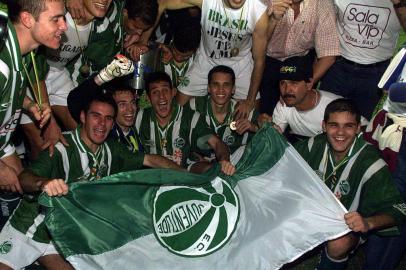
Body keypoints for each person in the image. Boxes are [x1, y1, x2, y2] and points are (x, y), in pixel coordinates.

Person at [0, 94, 183, 270]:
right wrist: (43, 183)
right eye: (96, 116)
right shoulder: (61, 147)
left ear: (113, 123)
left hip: (60, 235)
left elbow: (151, 160)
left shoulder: (112, 150)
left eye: (108, 118)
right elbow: (25, 178)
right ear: (82, 117)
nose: (102, 124)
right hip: (30, 227)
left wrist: (186, 175)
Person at [294, 98, 406, 270]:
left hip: (346, 225)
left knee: (339, 243)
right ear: (324, 126)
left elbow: (399, 209)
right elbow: (280, 158)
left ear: (358, 128)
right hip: (313, 212)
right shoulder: (313, 145)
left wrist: (367, 223)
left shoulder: (371, 163)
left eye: (348, 126)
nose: (341, 132)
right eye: (334, 125)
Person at [154, 0, 269, 120]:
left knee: (253, 115)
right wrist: (142, 41)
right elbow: (163, 3)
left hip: (240, 65)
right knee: (177, 109)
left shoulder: (258, 12)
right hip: (206, 61)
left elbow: (260, 60)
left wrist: (250, 100)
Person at [0, 0, 66, 194]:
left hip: (3, 142)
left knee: (24, 185)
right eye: (56, 19)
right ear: (27, 19)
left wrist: (29, 104)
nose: (64, 26)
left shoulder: (27, 52)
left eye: (64, 17)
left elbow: (8, 92)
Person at [135, 71, 235, 174]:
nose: (161, 97)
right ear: (148, 97)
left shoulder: (190, 118)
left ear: (173, 92)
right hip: (149, 177)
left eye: (165, 90)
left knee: (211, 168)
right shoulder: (139, 118)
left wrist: (224, 161)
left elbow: (217, 143)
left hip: (184, 176)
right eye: (155, 92)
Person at [320, 0, 406, 120]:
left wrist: (399, 4)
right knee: (327, 116)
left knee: (361, 121)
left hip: (375, 72)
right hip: (339, 67)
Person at [260, 0, 340, 114]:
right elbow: (255, 43)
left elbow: (329, 54)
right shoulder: (264, 2)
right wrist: (272, 19)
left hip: (300, 61)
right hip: (266, 59)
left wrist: (306, 84)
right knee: (264, 112)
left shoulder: (322, 4)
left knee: (295, 112)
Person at [362, 82, 406, 270]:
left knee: (394, 226)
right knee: (384, 225)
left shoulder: (385, 117)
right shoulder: (383, 117)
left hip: (392, 182)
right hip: (385, 179)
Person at [187, 65, 258, 156]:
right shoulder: (193, 106)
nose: (221, 90)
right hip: (199, 165)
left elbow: (272, 132)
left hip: (232, 165)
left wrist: (254, 127)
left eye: (226, 85)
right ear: (208, 88)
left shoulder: (242, 110)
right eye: (216, 84)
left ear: (233, 89)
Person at [267, 55, 341, 142]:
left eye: (294, 83)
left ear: (309, 84)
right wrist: (263, 126)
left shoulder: (336, 107)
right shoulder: (283, 105)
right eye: (283, 83)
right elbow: (273, 138)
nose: (287, 90)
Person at [163, 20, 200, 90]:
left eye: (185, 56)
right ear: (173, 40)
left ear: (197, 48)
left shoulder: (200, 59)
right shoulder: (160, 51)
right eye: (175, 52)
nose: (178, 58)